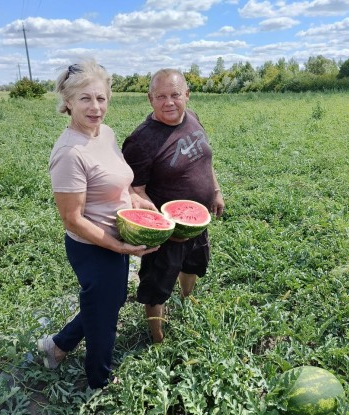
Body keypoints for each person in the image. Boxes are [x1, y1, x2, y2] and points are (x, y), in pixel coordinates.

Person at [38, 59, 158, 390]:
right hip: (92, 246)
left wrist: (134, 200)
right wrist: (118, 245)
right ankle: (99, 380)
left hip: (117, 236)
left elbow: (116, 179)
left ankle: (57, 346)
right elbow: (72, 218)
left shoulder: (105, 133)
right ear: (68, 102)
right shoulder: (68, 152)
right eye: (85, 99)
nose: (95, 107)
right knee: (105, 317)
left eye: (101, 98)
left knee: (109, 300)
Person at [122, 68, 224, 343]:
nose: (169, 102)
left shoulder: (192, 118)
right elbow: (134, 190)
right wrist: (162, 225)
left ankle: (185, 300)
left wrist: (215, 190)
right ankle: (157, 339)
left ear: (187, 96)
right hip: (167, 234)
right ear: (150, 99)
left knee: (193, 266)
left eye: (175, 95)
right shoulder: (141, 141)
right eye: (161, 96)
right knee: (156, 286)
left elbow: (205, 159)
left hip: (197, 223)